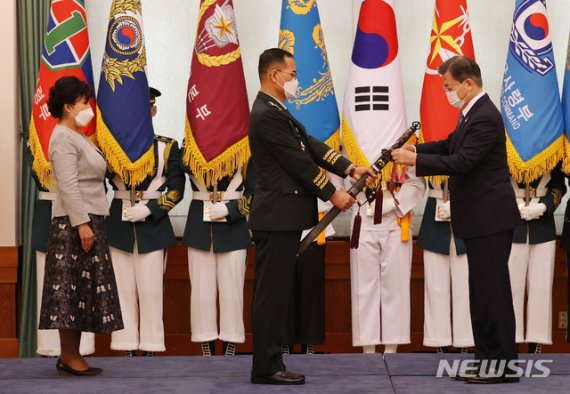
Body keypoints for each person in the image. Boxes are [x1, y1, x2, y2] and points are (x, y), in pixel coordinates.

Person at [248, 48, 375, 385]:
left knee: (277, 290)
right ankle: (266, 365)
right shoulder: (266, 114)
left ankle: (271, 360)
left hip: (282, 217)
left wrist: (349, 167)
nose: (296, 81)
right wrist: (334, 193)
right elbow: (298, 163)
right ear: (275, 76)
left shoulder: (277, 110)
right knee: (271, 293)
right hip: (276, 217)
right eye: (292, 75)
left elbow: (310, 145)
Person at [392, 56, 520, 384]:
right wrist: (416, 150)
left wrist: (415, 161)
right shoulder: (470, 113)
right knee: (481, 291)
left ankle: (502, 365)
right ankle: (488, 357)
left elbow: (462, 161)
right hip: (480, 218)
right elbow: (450, 145)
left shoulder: (486, 116)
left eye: (449, 87)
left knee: (492, 292)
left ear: (468, 83)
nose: (447, 93)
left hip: (490, 218)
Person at [39, 76, 123, 376]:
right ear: (68, 107)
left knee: (81, 292)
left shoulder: (77, 136)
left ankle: (71, 356)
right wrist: (82, 225)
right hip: (75, 225)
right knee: (68, 294)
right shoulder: (62, 137)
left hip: (89, 220)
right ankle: (69, 356)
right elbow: (68, 185)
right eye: (84, 102)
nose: (89, 107)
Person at [107, 87, 184, 357]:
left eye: (146, 109)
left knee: (152, 293)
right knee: (123, 292)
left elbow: (176, 190)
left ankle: (151, 347)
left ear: (153, 110)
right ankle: (126, 347)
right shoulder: (111, 147)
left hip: (152, 227)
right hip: (119, 225)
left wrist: (151, 209)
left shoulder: (166, 147)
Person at [27, 146, 95, 357]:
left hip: (82, 213)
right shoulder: (38, 142)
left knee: (81, 285)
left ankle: (81, 349)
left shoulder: (89, 142)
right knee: (48, 287)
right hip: (49, 213)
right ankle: (49, 348)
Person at [350, 165, 425, 355]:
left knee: (396, 285)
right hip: (362, 215)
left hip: (396, 219)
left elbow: (417, 182)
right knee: (363, 286)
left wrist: (393, 203)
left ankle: (392, 349)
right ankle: (368, 348)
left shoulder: (401, 141)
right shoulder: (353, 138)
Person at [508, 165, 565, 353]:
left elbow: (559, 187)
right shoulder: (506, 143)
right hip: (511, 225)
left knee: (541, 287)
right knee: (511, 287)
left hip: (542, 225)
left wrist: (544, 205)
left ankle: (536, 341)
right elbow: (494, 181)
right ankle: (511, 340)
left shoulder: (549, 144)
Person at [418, 180, 474, 354]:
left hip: (467, 212)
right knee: (435, 287)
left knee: (465, 287)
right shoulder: (428, 150)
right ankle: (438, 342)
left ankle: (464, 341)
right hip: (434, 215)